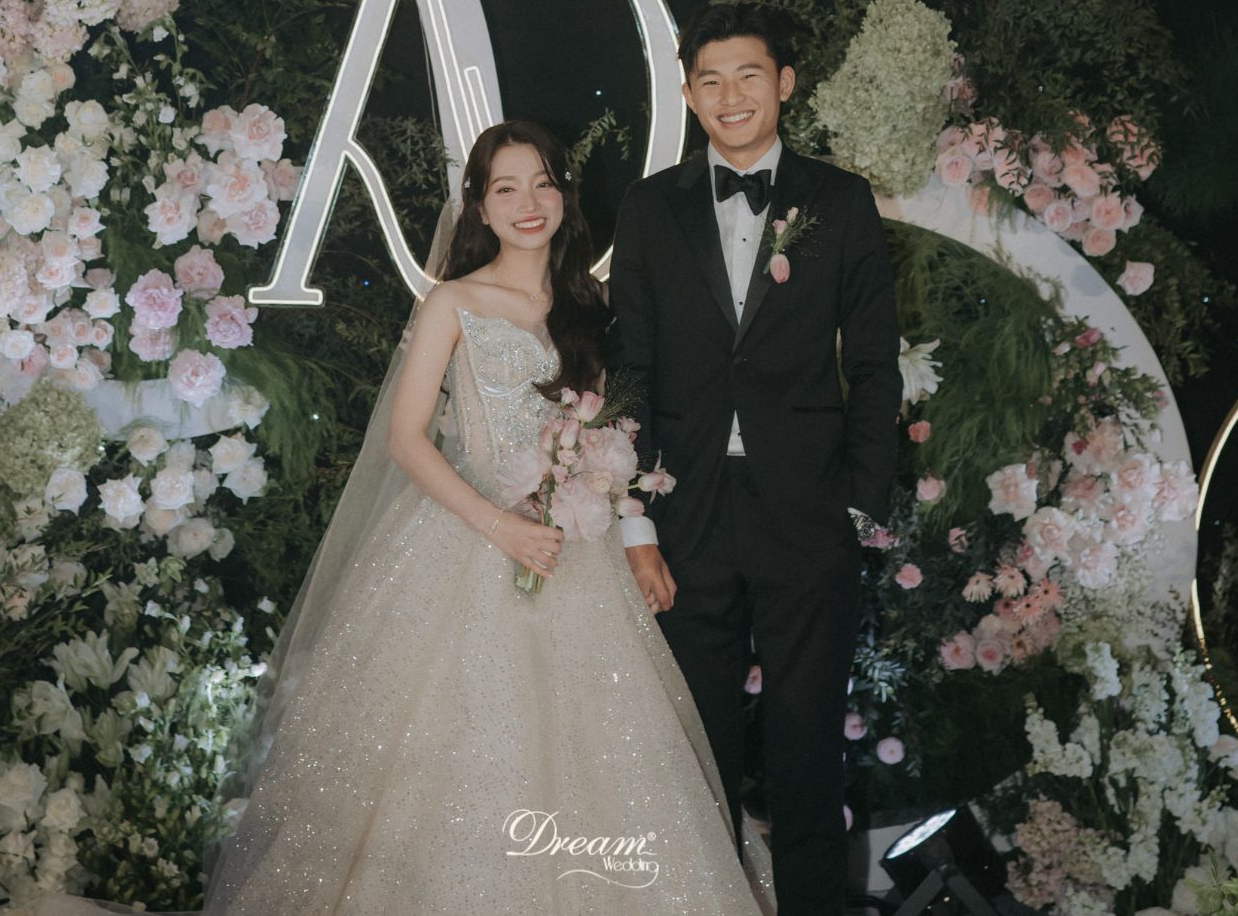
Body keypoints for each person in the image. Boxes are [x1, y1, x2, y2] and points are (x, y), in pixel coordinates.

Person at [42, 119, 771, 914]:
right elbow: (405, 437)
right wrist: (501, 525)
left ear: (565, 196)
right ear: (480, 207)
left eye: (543, 183)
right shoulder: (454, 301)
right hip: (472, 541)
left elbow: (612, 430)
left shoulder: (592, 306)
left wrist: (621, 519)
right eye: (506, 188)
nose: (528, 202)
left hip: (574, 553)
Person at [608, 4, 901, 916]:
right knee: (694, 757)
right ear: (689, 94)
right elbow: (631, 368)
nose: (730, 95)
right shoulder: (649, 206)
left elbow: (876, 364)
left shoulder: (840, 200)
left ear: (785, 82)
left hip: (807, 513)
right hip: (686, 512)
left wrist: (857, 503)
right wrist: (635, 516)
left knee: (807, 755)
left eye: (748, 75)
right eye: (710, 79)